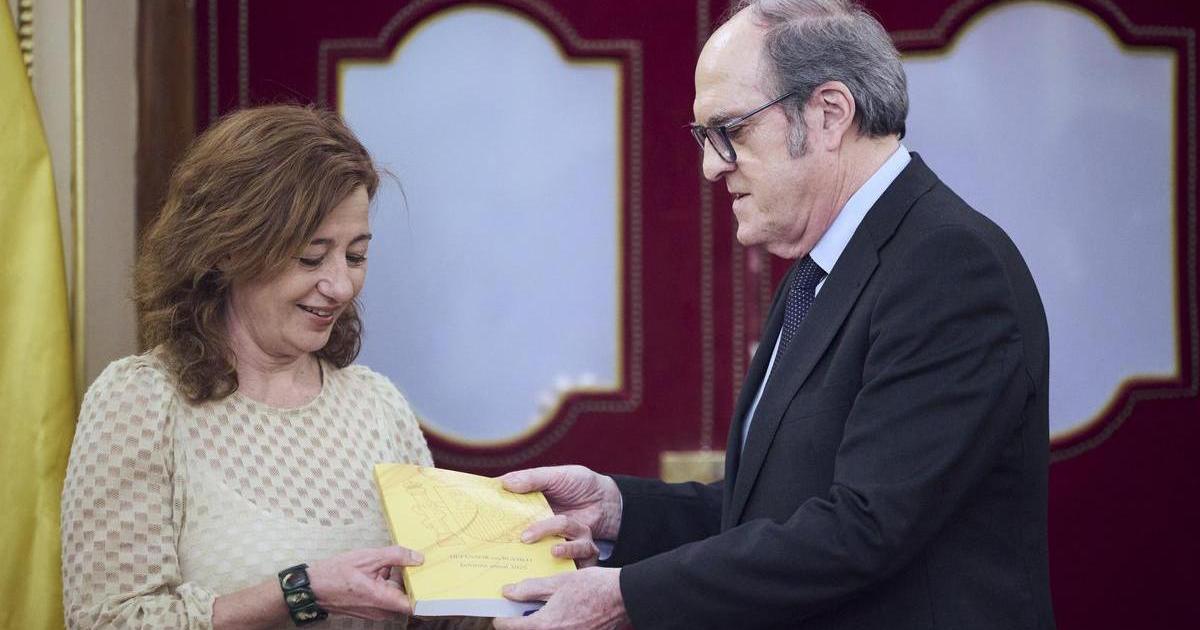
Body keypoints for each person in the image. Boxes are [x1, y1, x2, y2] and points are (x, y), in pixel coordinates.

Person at [494, 1, 1056, 628]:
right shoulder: (822, 268)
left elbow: (865, 526)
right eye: (704, 137)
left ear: (828, 113)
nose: (712, 165)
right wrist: (620, 510)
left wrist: (628, 596)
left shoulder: (948, 265)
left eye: (730, 130)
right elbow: (775, 510)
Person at [59, 105, 489, 629]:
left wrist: (529, 596)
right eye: (311, 257)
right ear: (226, 250)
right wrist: (298, 592)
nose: (341, 286)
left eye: (355, 256)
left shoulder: (379, 406)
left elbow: (433, 608)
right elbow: (107, 621)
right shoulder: (141, 403)